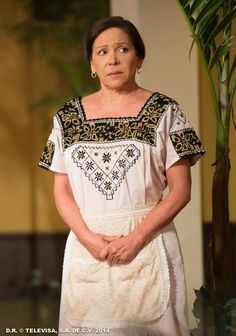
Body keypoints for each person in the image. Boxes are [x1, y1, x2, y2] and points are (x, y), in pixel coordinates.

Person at [39, 16, 205, 336]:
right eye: (101, 52)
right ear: (91, 64)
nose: (112, 59)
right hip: (87, 249)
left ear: (138, 58)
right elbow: (61, 189)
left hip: (149, 243)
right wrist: (87, 237)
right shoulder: (67, 118)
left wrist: (135, 238)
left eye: (122, 49)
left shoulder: (165, 111)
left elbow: (181, 190)